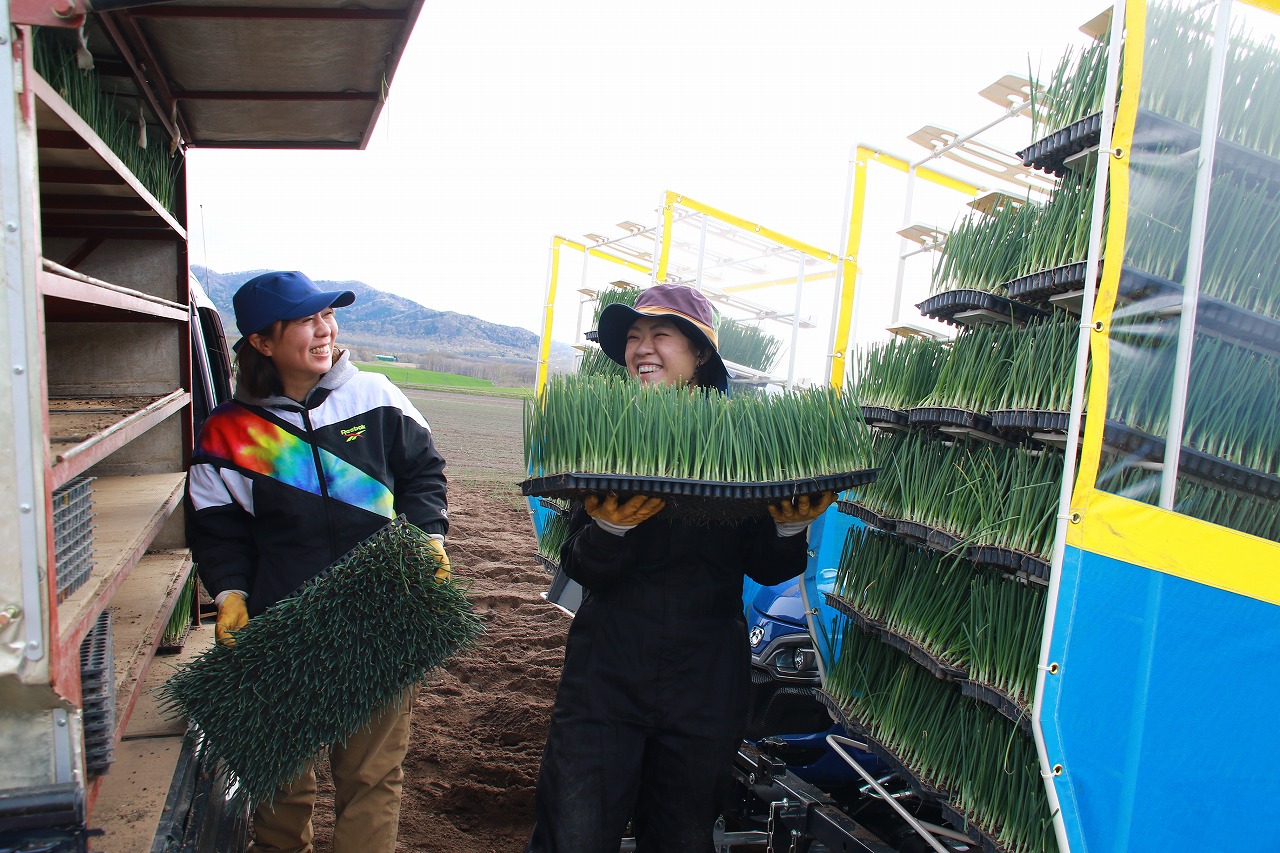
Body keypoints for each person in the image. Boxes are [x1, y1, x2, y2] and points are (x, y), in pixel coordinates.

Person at [526, 284, 834, 853]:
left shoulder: (740, 440)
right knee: (574, 831)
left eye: (660, 335)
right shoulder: (606, 434)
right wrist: (609, 530)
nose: (642, 348)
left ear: (700, 355)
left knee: (682, 835)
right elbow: (578, 565)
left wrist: (790, 529)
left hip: (705, 675)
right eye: (632, 337)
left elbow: (765, 568)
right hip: (607, 671)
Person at [184, 270, 450, 853]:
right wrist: (230, 592)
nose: (325, 329)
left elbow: (423, 474)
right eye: (306, 319)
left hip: (382, 617)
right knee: (280, 781)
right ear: (261, 341)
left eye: (328, 315)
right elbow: (216, 524)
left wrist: (430, 536)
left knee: (372, 778)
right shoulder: (229, 433)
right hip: (284, 628)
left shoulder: (376, 396)